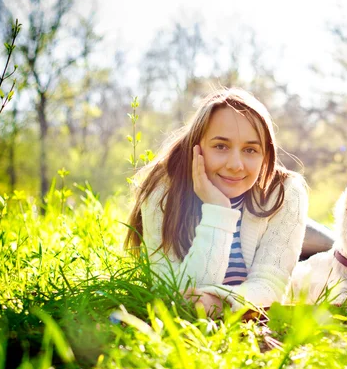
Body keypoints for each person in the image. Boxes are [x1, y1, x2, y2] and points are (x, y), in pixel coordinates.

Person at [124, 88, 309, 315]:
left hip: (302, 238)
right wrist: (218, 211)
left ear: (266, 156)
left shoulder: (285, 192)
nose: (235, 165)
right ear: (196, 146)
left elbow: (271, 286)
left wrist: (220, 303)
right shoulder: (162, 191)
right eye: (220, 146)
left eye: (250, 149)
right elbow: (173, 292)